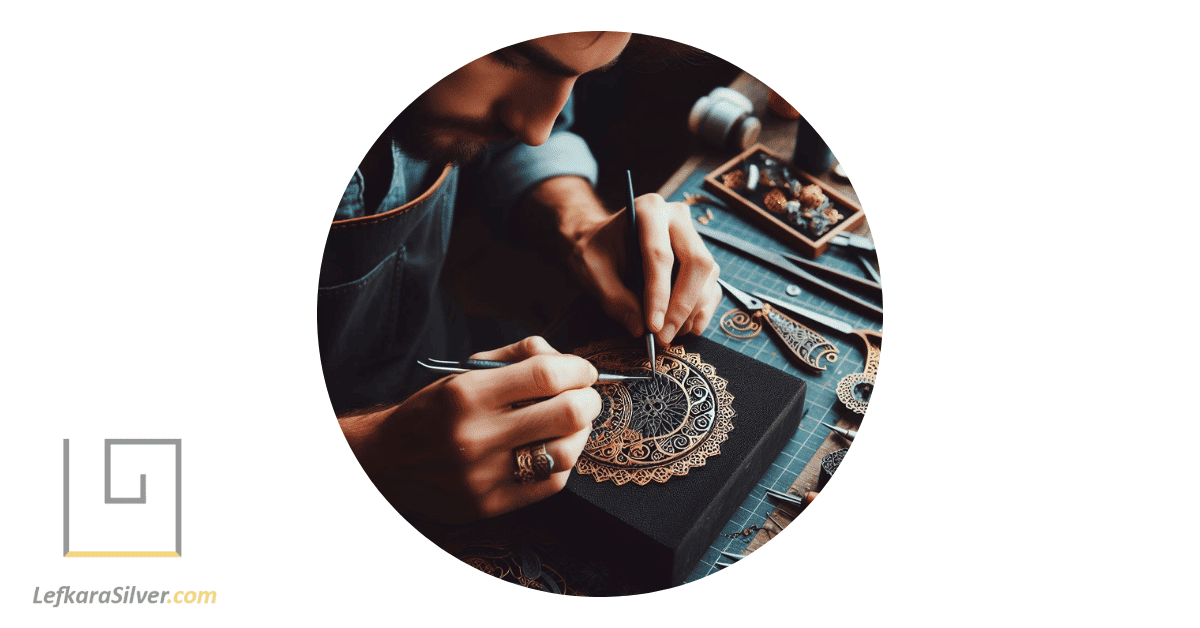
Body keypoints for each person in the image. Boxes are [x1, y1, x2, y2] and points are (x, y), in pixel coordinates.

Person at [320, 32, 721, 525]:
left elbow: (512, 147)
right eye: (512, 56)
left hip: (447, 357)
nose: (538, 126)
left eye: (578, 76)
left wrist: (579, 226)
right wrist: (368, 455)